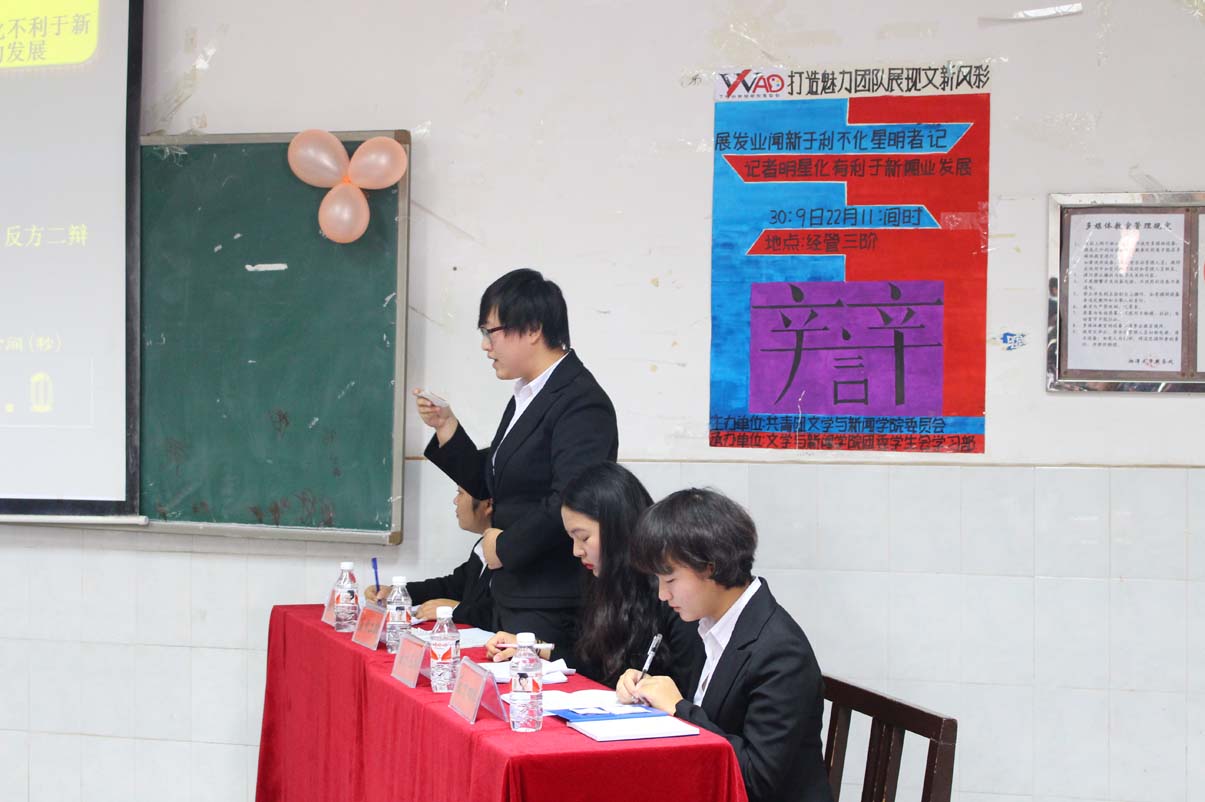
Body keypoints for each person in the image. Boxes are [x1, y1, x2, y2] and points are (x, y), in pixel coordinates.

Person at [415, 268, 618, 656]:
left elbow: (570, 500)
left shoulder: (581, 401)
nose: (485, 345)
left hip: (551, 598)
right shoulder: (527, 395)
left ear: (533, 329)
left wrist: (504, 547)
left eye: (490, 332)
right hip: (514, 592)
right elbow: (495, 483)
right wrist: (447, 428)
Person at [617, 488, 833, 802]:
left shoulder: (781, 651)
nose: (662, 595)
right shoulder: (711, 624)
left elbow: (755, 780)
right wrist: (648, 693)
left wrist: (678, 708)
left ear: (710, 565)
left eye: (670, 580)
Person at [484, 462, 700, 688]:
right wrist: (535, 648)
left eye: (584, 538)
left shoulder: (671, 592)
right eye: (571, 538)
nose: (576, 551)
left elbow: (686, 692)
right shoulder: (605, 582)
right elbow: (598, 668)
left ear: (617, 528)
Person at [365, 486, 496, 629]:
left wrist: (456, 610)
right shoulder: (482, 547)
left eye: (460, 493)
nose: (455, 501)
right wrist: (396, 593)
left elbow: (506, 616)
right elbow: (451, 587)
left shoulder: (509, 555)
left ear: (488, 504)